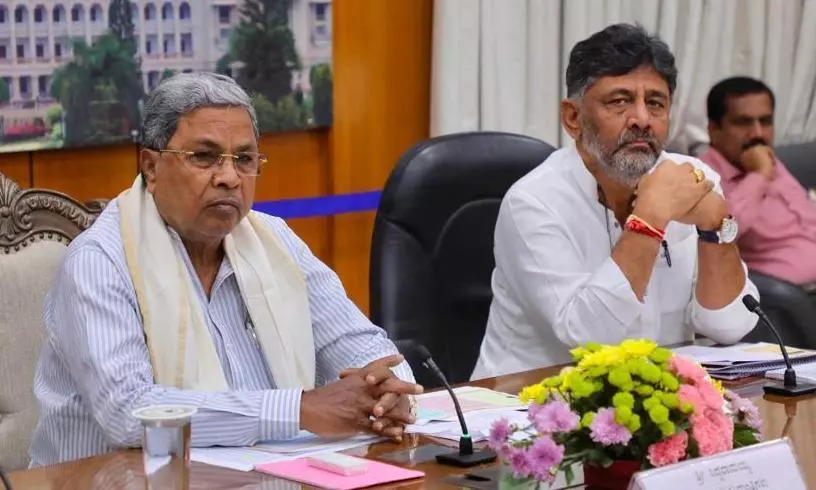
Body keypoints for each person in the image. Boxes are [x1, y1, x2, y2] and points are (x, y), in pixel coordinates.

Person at [29, 72, 422, 466]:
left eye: (245, 159)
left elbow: (367, 349)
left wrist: (388, 390)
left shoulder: (275, 242)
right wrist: (299, 410)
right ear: (151, 167)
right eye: (204, 156)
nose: (230, 178)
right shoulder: (100, 261)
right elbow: (130, 412)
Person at [471, 24, 759, 379]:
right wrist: (650, 218)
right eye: (619, 101)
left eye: (655, 103)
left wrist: (716, 224)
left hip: (657, 405)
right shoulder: (533, 203)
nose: (641, 119)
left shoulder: (692, 179)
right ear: (573, 118)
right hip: (528, 411)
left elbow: (730, 326)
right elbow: (590, 338)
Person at [700, 76, 816, 287]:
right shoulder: (703, 177)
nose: (758, 133)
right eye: (743, 123)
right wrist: (759, 175)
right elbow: (723, 233)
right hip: (789, 302)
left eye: (765, 121)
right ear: (714, 130)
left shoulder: (764, 157)